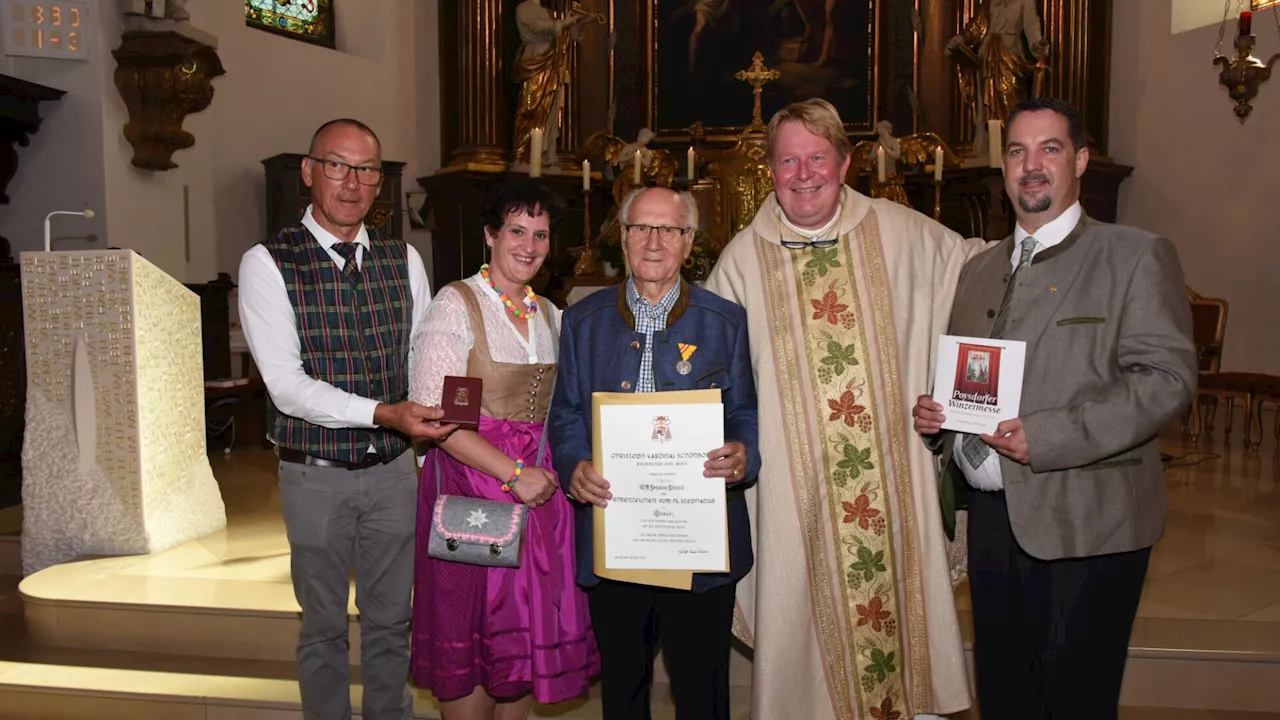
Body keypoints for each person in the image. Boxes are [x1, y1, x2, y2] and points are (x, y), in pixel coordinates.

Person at [911, 97, 1197, 719]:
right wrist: (941, 420)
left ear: (1081, 161)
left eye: (1050, 149)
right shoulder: (979, 269)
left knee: (1075, 703)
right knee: (1007, 698)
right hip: (992, 524)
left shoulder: (1134, 256)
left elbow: (1167, 379)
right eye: (1017, 150)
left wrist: (1051, 436)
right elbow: (975, 382)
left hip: (1089, 522)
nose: (1030, 165)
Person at [703, 98, 984, 720]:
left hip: (892, 477)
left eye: (817, 158)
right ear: (770, 170)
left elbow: (984, 279)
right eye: (788, 161)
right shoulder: (742, 261)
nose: (803, 174)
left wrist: (969, 393)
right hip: (793, 487)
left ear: (846, 163)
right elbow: (703, 374)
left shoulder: (905, 232)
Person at [238, 118, 456, 720]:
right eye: (337, 165)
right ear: (309, 172)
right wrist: (383, 413)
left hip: (393, 471)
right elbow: (286, 387)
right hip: (315, 476)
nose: (352, 182)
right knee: (324, 629)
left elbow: (421, 361)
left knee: (392, 624)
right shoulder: (268, 262)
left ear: (380, 183)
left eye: (366, 170)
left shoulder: (402, 258)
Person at [549, 186, 760, 720]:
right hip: (616, 538)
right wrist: (574, 466)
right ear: (622, 238)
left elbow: (746, 413)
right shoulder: (582, 320)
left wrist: (743, 452)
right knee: (623, 691)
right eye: (641, 227)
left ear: (689, 242)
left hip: (698, 545)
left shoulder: (725, 321)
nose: (654, 241)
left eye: (669, 229)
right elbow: (566, 413)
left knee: (703, 693)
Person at [409, 177, 598, 720]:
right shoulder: (458, 305)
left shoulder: (548, 313)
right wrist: (515, 474)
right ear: (490, 234)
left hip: (540, 497)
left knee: (514, 652)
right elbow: (440, 420)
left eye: (540, 234)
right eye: (517, 230)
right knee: (472, 633)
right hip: (475, 484)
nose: (529, 246)